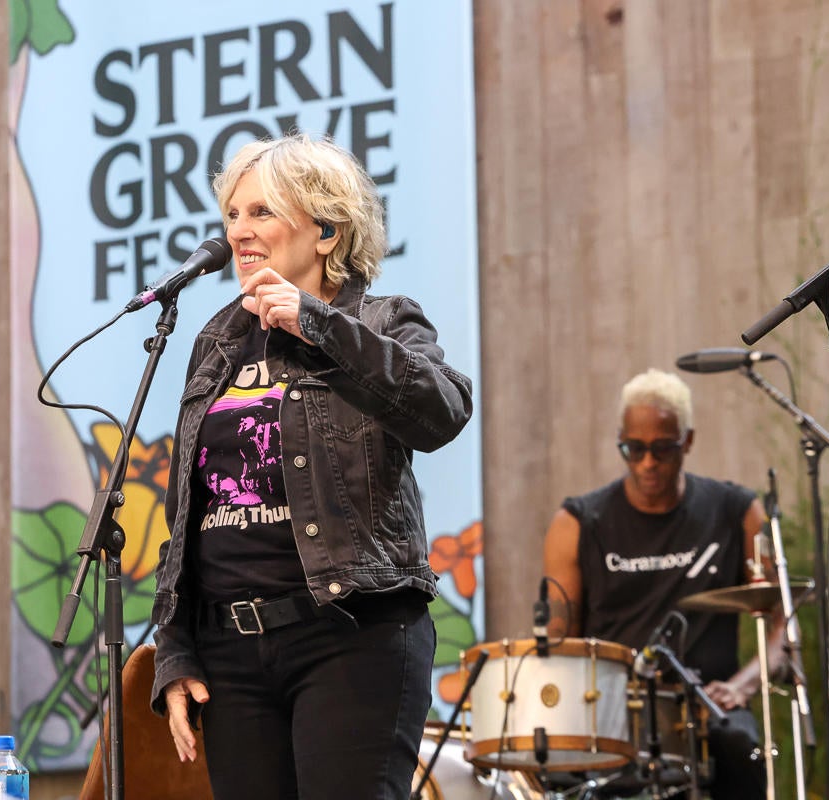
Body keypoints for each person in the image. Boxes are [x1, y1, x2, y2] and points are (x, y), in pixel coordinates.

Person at [148, 133, 473, 800]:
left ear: (326, 231)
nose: (240, 230)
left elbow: (443, 410)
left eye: (262, 212)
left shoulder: (382, 320)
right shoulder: (216, 341)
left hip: (349, 635)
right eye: (233, 214)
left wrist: (319, 325)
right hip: (231, 654)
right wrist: (175, 646)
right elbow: (190, 508)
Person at [542, 368, 785, 800]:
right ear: (620, 440)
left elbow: (784, 628)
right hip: (612, 708)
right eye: (633, 449)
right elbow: (558, 645)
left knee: (742, 746)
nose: (648, 462)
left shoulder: (736, 511)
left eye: (662, 449)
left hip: (708, 705)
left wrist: (742, 687)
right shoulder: (577, 522)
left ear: (687, 441)